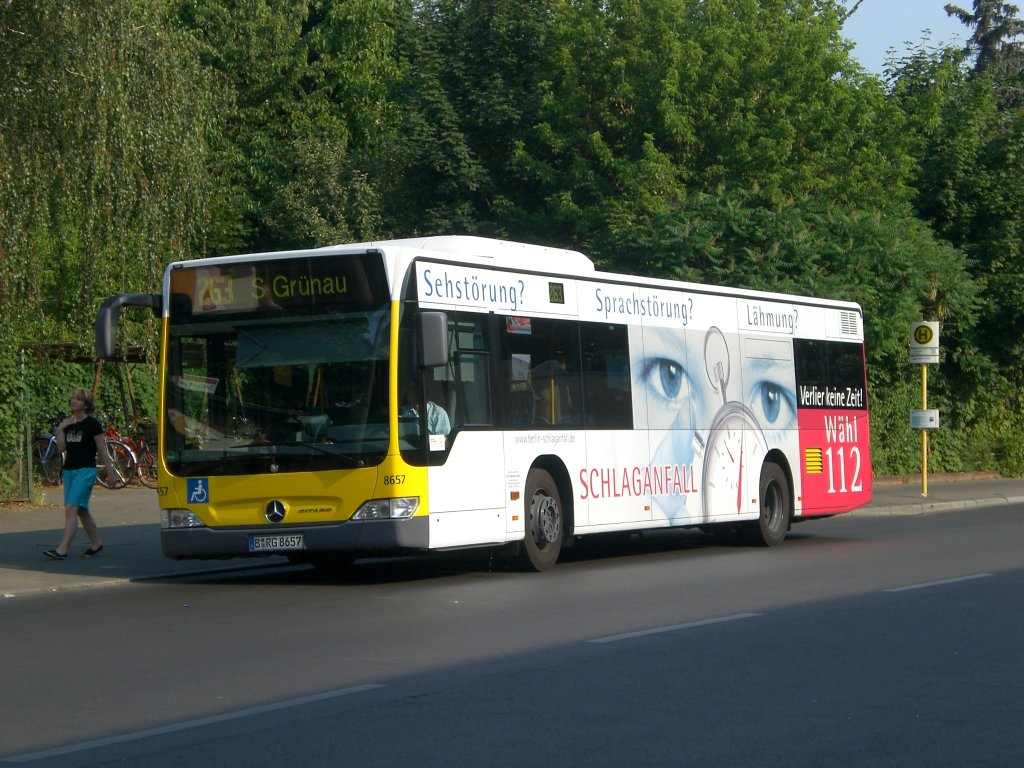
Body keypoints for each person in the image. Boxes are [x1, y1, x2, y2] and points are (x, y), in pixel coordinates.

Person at [43, 388, 116, 560]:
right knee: (81, 510)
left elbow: (102, 449)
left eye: (79, 399)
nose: (74, 401)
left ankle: (62, 549)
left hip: (85, 470)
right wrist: (61, 429)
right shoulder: (69, 424)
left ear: (86, 404)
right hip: (69, 471)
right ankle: (96, 543)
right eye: (73, 398)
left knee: (71, 509)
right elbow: (61, 448)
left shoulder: (92, 424)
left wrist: (111, 472)